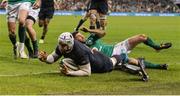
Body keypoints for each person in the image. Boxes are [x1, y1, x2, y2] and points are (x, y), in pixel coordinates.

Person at [38, 32, 149, 81]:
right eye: (60, 44)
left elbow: (87, 72)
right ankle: (123, 64)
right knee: (64, 61)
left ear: (70, 44)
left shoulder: (80, 51)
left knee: (115, 60)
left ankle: (130, 60)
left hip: (102, 64)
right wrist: (45, 58)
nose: (61, 47)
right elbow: (52, 58)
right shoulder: (63, 45)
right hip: (93, 57)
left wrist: (70, 73)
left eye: (63, 45)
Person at [72, 26, 172, 71]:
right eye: (79, 37)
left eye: (81, 35)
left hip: (116, 47)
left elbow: (103, 33)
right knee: (135, 62)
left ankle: (157, 47)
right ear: (76, 41)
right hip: (110, 59)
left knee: (142, 37)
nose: (82, 36)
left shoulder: (90, 39)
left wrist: (89, 30)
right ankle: (159, 66)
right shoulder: (80, 49)